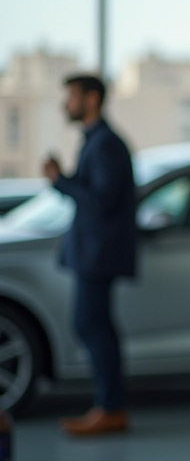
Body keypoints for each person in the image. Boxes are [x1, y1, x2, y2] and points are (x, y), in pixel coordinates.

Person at [43, 75, 137, 436]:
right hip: (93, 253)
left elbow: (101, 201)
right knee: (95, 325)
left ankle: (111, 407)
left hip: (99, 255)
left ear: (92, 99)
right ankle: (110, 405)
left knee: (92, 325)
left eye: (71, 97)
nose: (66, 105)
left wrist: (60, 180)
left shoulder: (106, 145)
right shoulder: (96, 142)